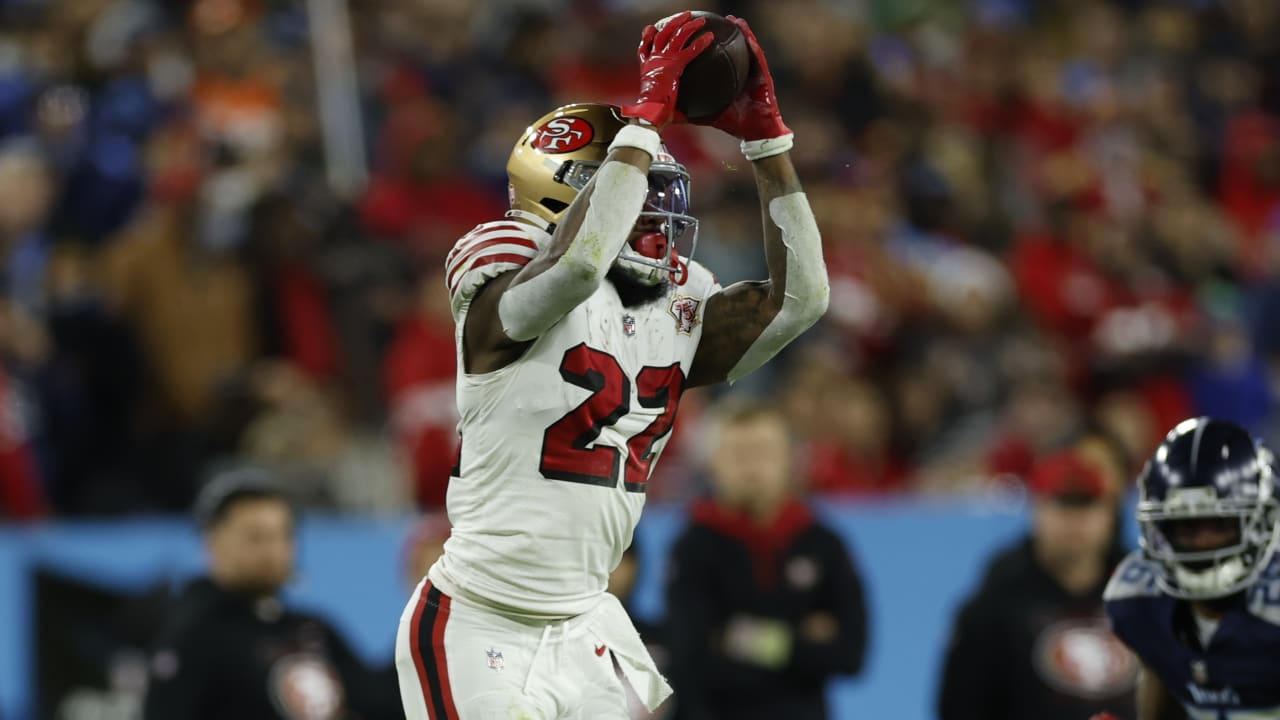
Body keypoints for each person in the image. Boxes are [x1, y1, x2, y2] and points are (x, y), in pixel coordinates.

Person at [394, 11, 829, 720]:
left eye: (663, 195)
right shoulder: (502, 264)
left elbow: (801, 302)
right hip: (479, 620)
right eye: (640, 193)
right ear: (567, 194)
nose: (658, 218)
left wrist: (767, 143)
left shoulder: (674, 305)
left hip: (588, 623)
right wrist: (647, 113)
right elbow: (576, 267)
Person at [664, 400, 866, 720]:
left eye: (763, 452)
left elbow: (851, 654)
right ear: (714, 463)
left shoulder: (823, 543)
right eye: (739, 454)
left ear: (789, 460)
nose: (751, 467)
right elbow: (691, 657)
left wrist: (738, 636)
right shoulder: (692, 547)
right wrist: (800, 640)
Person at [144, 469, 402, 719]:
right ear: (212, 543)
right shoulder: (194, 634)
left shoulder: (313, 628)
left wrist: (427, 622)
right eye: (256, 537)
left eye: (283, 535)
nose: (273, 550)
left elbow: (382, 703)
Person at [938, 444, 1138, 720]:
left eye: (1086, 504)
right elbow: (961, 706)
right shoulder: (998, 601)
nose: (1075, 521)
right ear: (1036, 509)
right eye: (1062, 504)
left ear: (1109, 514)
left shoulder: (1143, 593)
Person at [1104, 418, 1280, 719]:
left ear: (1261, 522)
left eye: (1219, 525)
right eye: (1186, 527)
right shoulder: (1135, 598)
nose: (1202, 543)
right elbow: (1161, 675)